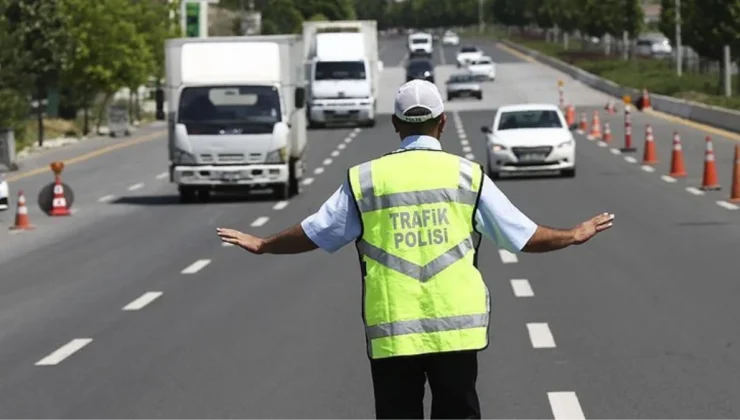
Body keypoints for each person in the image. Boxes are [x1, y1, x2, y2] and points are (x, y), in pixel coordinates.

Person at [216, 79, 615, 420]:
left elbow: (317, 232)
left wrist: (263, 244)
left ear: (395, 125)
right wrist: (573, 234)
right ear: (442, 122)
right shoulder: (466, 175)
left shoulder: (367, 179)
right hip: (457, 332)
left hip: (393, 330)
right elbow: (522, 236)